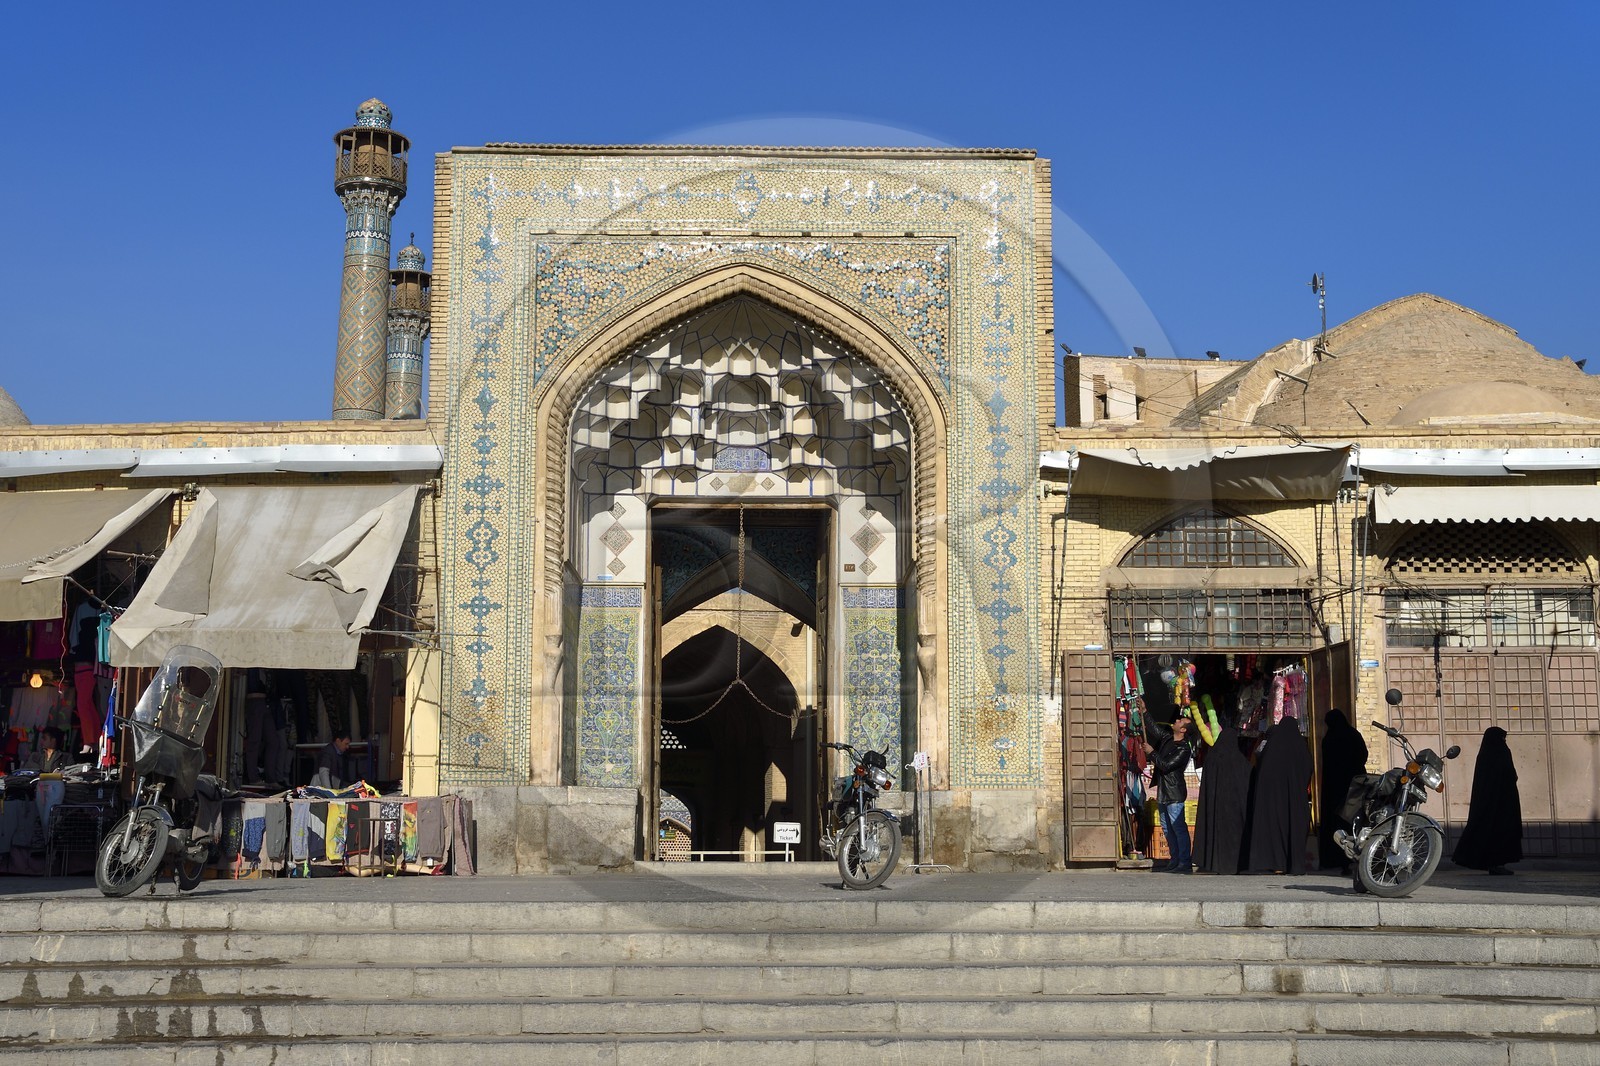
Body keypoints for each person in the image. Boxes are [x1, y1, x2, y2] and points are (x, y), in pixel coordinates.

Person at [1246, 715, 1314, 874]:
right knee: (1295, 828)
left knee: (1275, 829)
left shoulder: (1271, 747)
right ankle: (1295, 865)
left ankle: (1277, 864)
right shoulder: (1300, 745)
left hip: (1273, 799)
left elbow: (1260, 768)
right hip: (1296, 798)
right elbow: (1308, 768)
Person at [1452, 726, 1522, 875]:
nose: (1504, 741)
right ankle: (1497, 864)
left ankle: (1492, 864)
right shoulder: (1501, 751)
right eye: (1502, 738)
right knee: (1500, 832)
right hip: (1503, 803)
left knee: (1486, 831)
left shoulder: (1484, 755)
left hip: (1488, 804)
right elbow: (1510, 774)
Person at [1192, 716, 1251, 874]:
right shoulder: (1240, 761)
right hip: (1236, 810)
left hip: (1216, 808)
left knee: (1218, 835)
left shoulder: (1212, 758)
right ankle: (1236, 865)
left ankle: (1217, 864)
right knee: (1236, 836)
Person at [1318, 709, 1368, 872]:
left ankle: (1335, 858)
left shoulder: (1329, 738)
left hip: (1334, 786)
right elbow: (1363, 755)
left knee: (1336, 821)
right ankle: (1356, 856)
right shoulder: (1353, 735)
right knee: (1353, 819)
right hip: (1354, 784)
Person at [1145, 717, 1194, 873]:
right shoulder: (1167, 738)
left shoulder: (1184, 749)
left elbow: (1166, 765)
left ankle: (1184, 862)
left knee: (1178, 828)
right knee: (1167, 828)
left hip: (1174, 792)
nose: (1176, 720)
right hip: (1164, 791)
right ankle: (1175, 859)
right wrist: (1145, 712)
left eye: (1180, 721)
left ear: (1183, 730)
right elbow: (1154, 728)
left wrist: (1152, 753)